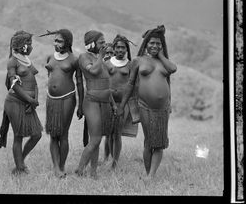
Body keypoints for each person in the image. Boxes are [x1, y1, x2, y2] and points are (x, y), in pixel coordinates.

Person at [119, 25, 177, 180]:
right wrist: (122, 105)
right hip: (145, 106)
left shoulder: (164, 62)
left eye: (158, 43)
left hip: (163, 108)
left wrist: (162, 55)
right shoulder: (138, 61)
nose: (155, 46)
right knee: (149, 141)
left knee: (160, 142)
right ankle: (148, 173)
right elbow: (130, 84)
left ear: (162, 46)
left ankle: (150, 175)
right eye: (152, 43)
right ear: (145, 44)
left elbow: (173, 68)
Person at [39, 29, 84, 178]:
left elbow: (79, 83)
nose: (56, 43)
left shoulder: (74, 60)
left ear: (68, 43)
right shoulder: (49, 57)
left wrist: (81, 104)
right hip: (51, 98)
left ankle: (62, 165)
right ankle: (56, 167)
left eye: (59, 41)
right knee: (53, 134)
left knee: (63, 134)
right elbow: (50, 75)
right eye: (55, 40)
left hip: (67, 98)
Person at [0, 31, 43, 175]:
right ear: (21, 45)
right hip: (15, 102)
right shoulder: (13, 61)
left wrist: (34, 100)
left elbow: (34, 83)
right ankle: (19, 168)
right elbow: (14, 85)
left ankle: (21, 161)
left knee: (37, 135)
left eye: (31, 43)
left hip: (29, 103)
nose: (31, 46)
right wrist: (29, 99)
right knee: (19, 136)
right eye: (28, 44)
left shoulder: (27, 60)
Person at [75, 30, 112, 179]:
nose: (104, 44)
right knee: (96, 139)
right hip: (92, 102)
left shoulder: (98, 58)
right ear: (91, 44)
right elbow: (94, 72)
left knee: (97, 139)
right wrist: (102, 57)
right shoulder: (84, 57)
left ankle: (93, 172)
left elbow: (109, 72)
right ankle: (79, 169)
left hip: (104, 102)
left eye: (104, 42)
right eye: (101, 42)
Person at [104, 34, 139, 169]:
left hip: (122, 104)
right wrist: (111, 103)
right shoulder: (107, 64)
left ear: (126, 49)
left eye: (123, 48)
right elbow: (105, 84)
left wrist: (122, 105)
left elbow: (132, 85)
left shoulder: (130, 65)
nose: (120, 50)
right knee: (108, 132)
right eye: (117, 47)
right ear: (113, 48)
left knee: (117, 133)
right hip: (108, 102)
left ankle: (115, 162)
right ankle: (106, 157)